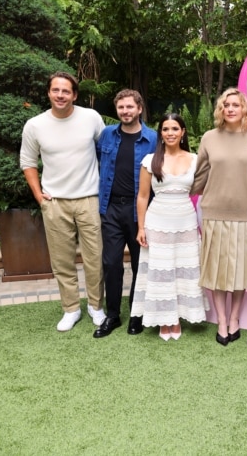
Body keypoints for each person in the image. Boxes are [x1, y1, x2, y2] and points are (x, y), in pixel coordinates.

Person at [20, 71, 106, 332]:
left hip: (89, 198)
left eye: (66, 91)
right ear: (48, 93)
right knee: (62, 260)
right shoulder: (35, 125)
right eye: (56, 90)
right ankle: (71, 309)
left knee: (95, 257)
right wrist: (38, 195)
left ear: (74, 95)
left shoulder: (91, 118)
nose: (60, 95)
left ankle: (96, 306)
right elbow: (27, 162)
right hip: (54, 201)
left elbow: (106, 150)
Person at [191, 88, 247, 346]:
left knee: (241, 271)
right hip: (214, 212)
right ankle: (221, 320)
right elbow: (198, 175)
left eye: (235, 104)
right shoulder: (210, 138)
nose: (230, 109)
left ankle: (235, 319)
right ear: (221, 109)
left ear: (244, 109)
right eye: (226, 105)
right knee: (218, 270)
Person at [131, 113, 209, 341]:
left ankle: (180, 316)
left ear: (183, 132)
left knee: (184, 269)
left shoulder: (196, 159)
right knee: (161, 271)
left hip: (186, 221)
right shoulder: (149, 160)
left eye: (175, 128)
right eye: (166, 129)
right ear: (161, 134)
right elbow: (143, 197)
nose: (170, 133)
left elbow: (203, 190)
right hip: (157, 222)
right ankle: (166, 320)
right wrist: (141, 228)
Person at [94, 89, 157, 338]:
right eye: (121, 108)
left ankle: (136, 314)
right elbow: (99, 160)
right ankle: (112, 316)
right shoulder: (107, 135)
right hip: (111, 208)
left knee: (140, 264)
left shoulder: (152, 138)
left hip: (140, 210)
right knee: (111, 263)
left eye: (130, 107)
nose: (125, 111)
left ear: (139, 108)